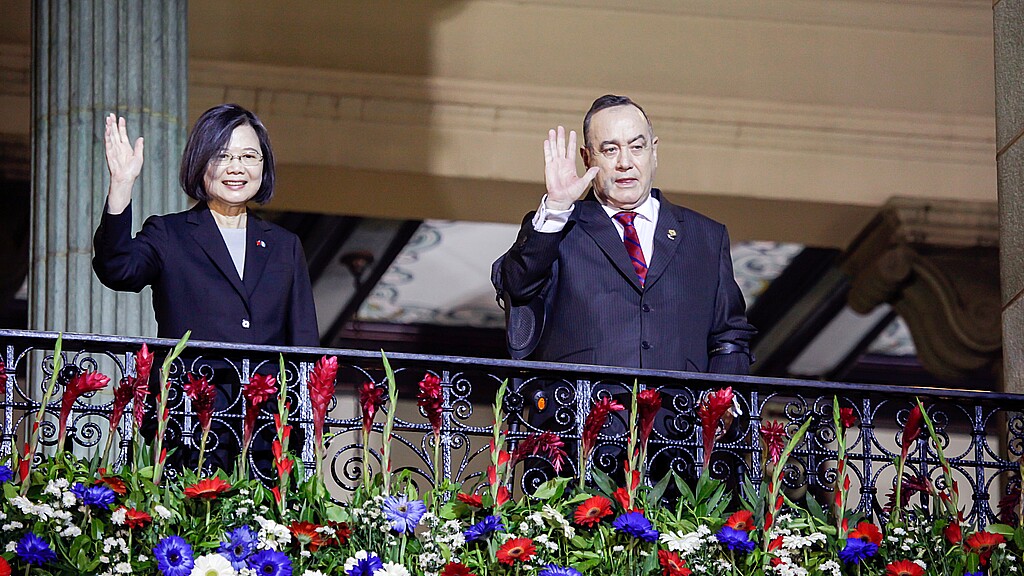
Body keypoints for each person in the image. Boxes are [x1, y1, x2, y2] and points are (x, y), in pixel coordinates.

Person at [492, 94, 755, 485]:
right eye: (609, 149)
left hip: (680, 453)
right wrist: (558, 207)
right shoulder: (560, 227)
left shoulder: (705, 236)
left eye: (637, 146)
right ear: (587, 158)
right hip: (577, 450)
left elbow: (729, 337)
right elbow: (516, 283)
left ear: (654, 151)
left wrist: (721, 404)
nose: (625, 162)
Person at [93, 104, 319, 474]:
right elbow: (118, 269)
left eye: (249, 156)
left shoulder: (284, 245)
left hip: (266, 429)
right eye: (223, 155)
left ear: (264, 166)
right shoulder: (170, 233)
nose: (237, 167)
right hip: (189, 421)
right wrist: (121, 185)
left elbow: (304, 341)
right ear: (200, 163)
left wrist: (305, 426)